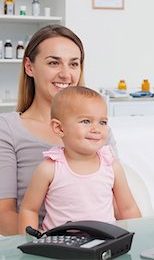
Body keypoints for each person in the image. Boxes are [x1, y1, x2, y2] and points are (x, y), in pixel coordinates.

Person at [0, 25, 120, 235]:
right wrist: (52, 245)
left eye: (74, 64)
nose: (65, 74)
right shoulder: (7, 130)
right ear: (29, 67)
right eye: (54, 62)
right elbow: (4, 219)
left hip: (100, 243)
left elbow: (116, 204)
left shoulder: (97, 130)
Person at [18, 86, 141, 232]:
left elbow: (128, 208)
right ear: (59, 128)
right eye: (86, 121)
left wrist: (139, 238)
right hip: (60, 244)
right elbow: (29, 209)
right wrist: (31, 243)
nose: (96, 128)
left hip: (105, 241)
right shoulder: (50, 168)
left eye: (102, 122)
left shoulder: (111, 165)